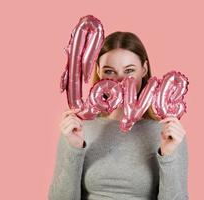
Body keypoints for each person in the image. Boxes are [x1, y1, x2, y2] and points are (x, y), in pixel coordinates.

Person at [48, 31, 189, 200]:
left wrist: (168, 155)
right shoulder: (78, 128)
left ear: (144, 69)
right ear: (99, 71)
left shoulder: (168, 133)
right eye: (110, 71)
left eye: (129, 70)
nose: (120, 81)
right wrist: (73, 148)